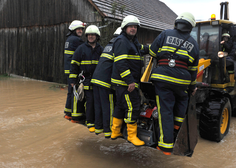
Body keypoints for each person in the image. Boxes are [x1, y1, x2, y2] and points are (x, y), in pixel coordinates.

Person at [149, 12, 199, 155]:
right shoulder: (194, 44)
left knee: (166, 110)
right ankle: (177, 128)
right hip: (182, 81)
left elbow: (152, 52)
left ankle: (165, 146)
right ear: (190, 26)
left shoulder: (165, 34)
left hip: (163, 79)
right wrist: (192, 87)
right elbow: (193, 70)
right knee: (182, 100)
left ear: (177, 22)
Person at [111, 15, 149, 146]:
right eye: (130, 26)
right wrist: (130, 81)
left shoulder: (132, 41)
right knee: (133, 107)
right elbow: (121, 63)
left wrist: (154, 49)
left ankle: (115, 131)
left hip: (123, 83)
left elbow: (142, 49)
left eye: (135, 27)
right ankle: (132, 136)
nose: (133, 29)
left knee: (120, 106)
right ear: (124, 27)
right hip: (126, 84)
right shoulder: (122, 41)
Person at [69, 25, 103, 132]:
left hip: (97, 81)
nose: (91, 37)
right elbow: (74, 65)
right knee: (90, 101)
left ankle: (97, 121)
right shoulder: (81, 49)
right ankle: (90, 122)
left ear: (97, 36)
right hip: (85, 80)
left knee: (96, 102)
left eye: (93, 35)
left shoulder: (100, 49)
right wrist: (73, 81)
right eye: (89, 35)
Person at [91, 27, 122, 138]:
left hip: (95, 79)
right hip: (105, 82)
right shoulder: (119, 46)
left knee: (98, 105)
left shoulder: (109, 45)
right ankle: (109, 130)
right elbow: (118, 66)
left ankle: (99, 127)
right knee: (108, 106)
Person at [63, 20, 86, 122]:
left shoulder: (69, 39)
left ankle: (68, 113)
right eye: (78, 29)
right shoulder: (77, 40)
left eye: (81, 29)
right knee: (75, 92)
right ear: (73, 29)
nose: (80, 31)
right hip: (74, 71)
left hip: (68, 70)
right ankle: (74, 115)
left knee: (70, 92)